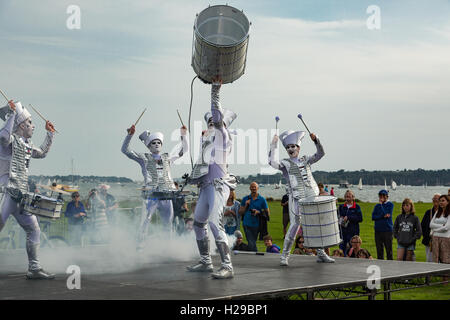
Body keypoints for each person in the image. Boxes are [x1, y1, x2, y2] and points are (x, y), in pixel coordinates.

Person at [186, 79, 238, 279]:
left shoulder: (223, 138)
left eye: (214, 122)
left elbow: (217, 119)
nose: (211, 124)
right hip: (205, 188)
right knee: (199, 223)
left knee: (215, 224)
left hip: (218, 187)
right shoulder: (207, 143)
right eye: (208, 123)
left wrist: (215, 92)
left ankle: (227, 266)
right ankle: (206, 261)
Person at [0, 99, 56, 279]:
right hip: (5, 192)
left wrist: (50, 134)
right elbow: (3, 136)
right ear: (20, 125)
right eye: (29, 122)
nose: (33, 126)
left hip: (20, 195)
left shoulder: (26, 145)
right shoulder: (8, 142)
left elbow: (43, 153)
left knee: (33, 229)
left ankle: (34, 268)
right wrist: (12, 114)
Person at [269, 128, 335, 266]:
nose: (291, 149)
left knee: (314, 225)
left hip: (311, 195)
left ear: (298, 147)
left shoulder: (306, 159)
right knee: (294, 225)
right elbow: (272, 162)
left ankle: (321, 253)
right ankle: (285, 256)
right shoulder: (285, 163)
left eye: (293, 146)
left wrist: (316, 140)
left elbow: (321, 153)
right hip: (296, 198)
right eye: (288, 147)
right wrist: (273, 145)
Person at [121, 120, 188, 249]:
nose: (156, 145)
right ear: (149, 145)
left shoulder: (167, 157)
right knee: (145, 221)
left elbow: (184, 150)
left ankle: (167, 247)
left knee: (167, 223)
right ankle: (140, 246)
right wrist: (129, 135)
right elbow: (125, 150)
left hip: (167, 195)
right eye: (153, 143)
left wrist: (184, 135)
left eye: (159, 142)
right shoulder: (143, 158)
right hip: (151, 195)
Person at [239, 182, 269, 252]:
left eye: (255, 187)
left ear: (258, 188)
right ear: (249, 188)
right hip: (246, 223)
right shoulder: (245, 199)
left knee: (252, 242)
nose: (253, 188)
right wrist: (246, 205)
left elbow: (268, 213)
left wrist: (258, 212)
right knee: (251, 241)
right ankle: (255, 255)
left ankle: (250, 255)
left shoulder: (262, 199)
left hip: (257, 224)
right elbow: (240, 212)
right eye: (252, 187)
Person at [338, 190, 363, 256]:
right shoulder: (341, 207)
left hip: (353, 231)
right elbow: (337, 217)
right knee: (342, 247)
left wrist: (349, 217)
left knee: (352, 247)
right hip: (342, 231)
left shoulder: (357, 207)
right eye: (346, 195)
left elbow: (360, 218)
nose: (348, 196)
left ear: (353, 197)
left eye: (349, 195)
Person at [372, 189, 394, 260]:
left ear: (387, 196)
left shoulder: (390, 204)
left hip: (387, 230)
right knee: (379, 250)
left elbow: (387, 214)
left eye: (383, 195)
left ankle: (390, 265)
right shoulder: (376, 206)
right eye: (380, 195)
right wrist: (381, 216)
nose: (382, 197)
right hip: (378, 230)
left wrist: (381, 206)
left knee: (389, 250)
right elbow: (373, 217)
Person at [430, 194, 450, 264]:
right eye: (440, 201)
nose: (441, 202)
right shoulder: (437, 212)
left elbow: (446, 228)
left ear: (448, 202)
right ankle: (435, 273)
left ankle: (446, 275)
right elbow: (431, 224)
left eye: (443, 201)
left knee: (445, 259)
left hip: (445, 239)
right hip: (435, 238)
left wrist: (435, 229)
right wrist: (442, 225)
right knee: (435, 258)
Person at [421, 194, 440, 262]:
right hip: (429, 240)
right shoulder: (428, 212)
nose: (435, 200)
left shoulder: (444, 213)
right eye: (433, 199)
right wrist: (426, 236)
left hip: (440, 239)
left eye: (437, 199)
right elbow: (423, 225)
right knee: (429, 259)